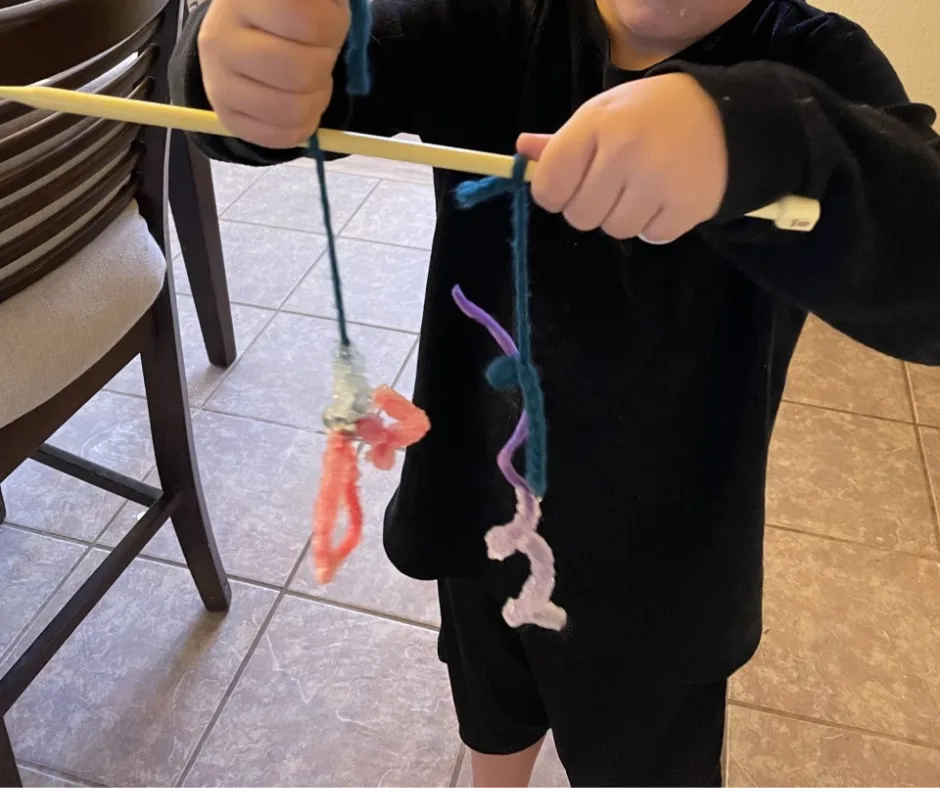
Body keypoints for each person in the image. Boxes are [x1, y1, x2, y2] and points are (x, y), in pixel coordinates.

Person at [170, 0, 940, 784]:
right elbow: (298, 89)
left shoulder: (816, 64)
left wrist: (756, 135)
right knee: (491, 709)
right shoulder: (488, 18)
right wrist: (243, 70)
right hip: (480, 509)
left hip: (663, 571)